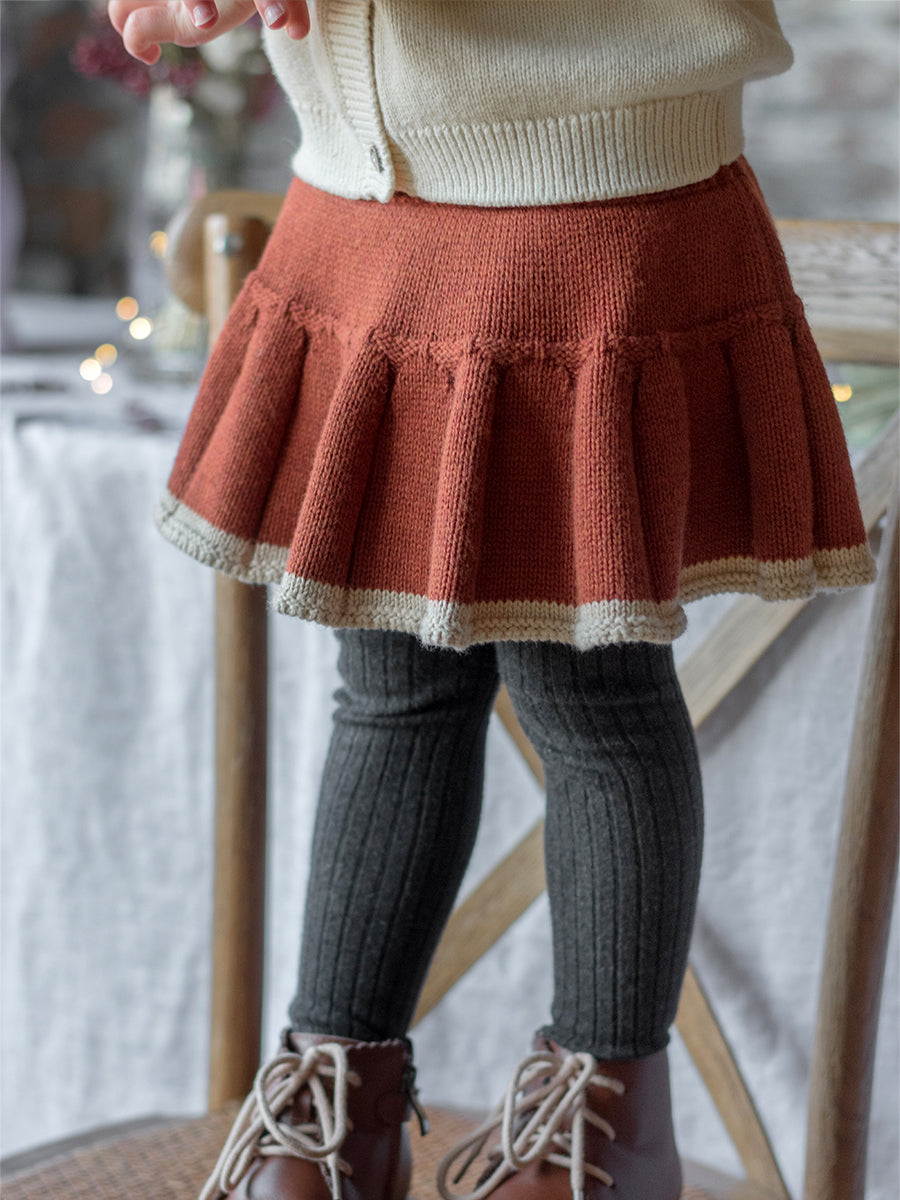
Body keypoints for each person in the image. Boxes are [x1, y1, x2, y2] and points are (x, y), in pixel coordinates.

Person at [109, 3, 877, 1198]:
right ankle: (338, 1105)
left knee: (593, 694)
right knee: (392, 687)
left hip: (589, 211)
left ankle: (607, 1130)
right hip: (363, 213)